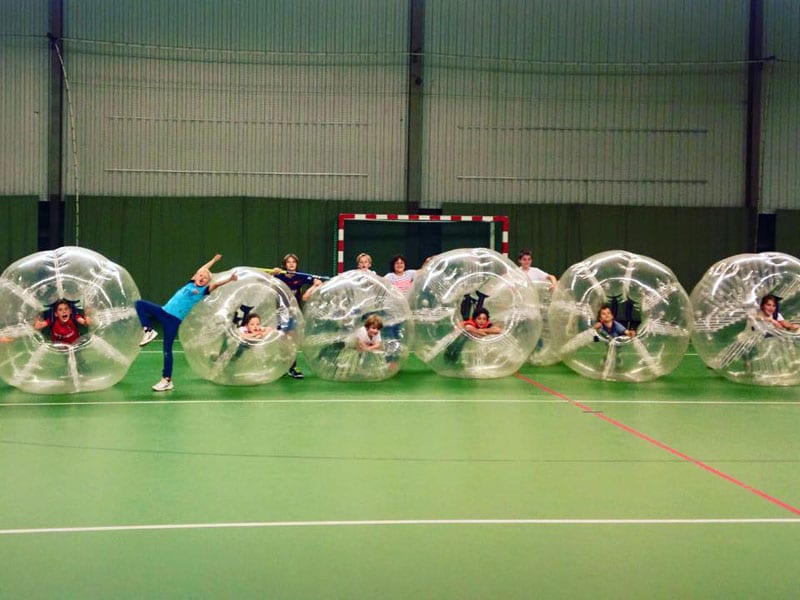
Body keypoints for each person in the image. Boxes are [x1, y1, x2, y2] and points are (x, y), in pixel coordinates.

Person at [136, 254, 237, 391]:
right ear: (195, 276)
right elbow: (202, 269)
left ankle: (167, 380)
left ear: (207, 282)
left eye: (205, 278)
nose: (202, 278)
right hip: (163, 311)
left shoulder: (203, 290)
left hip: (173, 321)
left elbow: (216, 284)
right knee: (140, 304)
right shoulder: (190, 283)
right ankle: (148, 330)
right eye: (200, 275)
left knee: (167, 350)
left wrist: (230, 279)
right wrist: (213, 260)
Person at [272, 253, 322, 379]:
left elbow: (318, 282)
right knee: (282, 340)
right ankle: (283, 366)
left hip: (294, 312)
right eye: (289, 262)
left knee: (292, 340)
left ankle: (292, 367)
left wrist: (310, 290)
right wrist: (272, 273)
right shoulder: (279, 275)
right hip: (281, 312)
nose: (291, 264)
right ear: (285, 264)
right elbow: (266, 280)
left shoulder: (300, 276)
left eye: (293, 262)